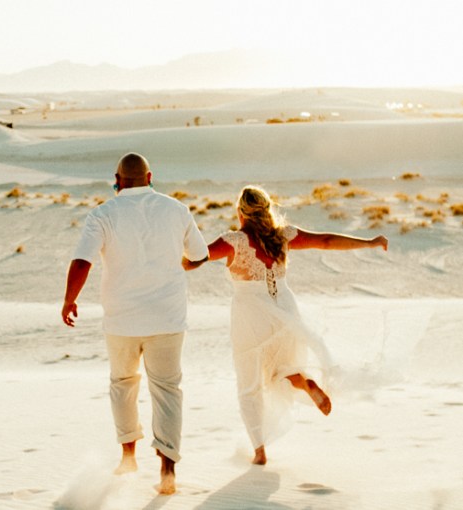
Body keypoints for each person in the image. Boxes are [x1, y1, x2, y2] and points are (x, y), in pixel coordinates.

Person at [183, 185, 388, 465]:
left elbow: (195, 258)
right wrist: (369, 242)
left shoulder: (234, 240)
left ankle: (259, 451)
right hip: (286, 310)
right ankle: (303, 381)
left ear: (241, 213)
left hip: (251, 314)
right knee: (280, 368)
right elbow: (326, 241)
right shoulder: (282, 235)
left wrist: (172, 258)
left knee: (250, 384)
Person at [62, 152, 209, 494]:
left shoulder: (102, 214)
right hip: (168, 318)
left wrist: (70, 299)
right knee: (168, 390)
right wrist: (178, 266)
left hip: (121, 321)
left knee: (123, 383)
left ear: (117, 179)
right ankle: (168, 470)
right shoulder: (176, 209)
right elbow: (200, 256)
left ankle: (128, 456)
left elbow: (82, 261)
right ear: (150, 176)